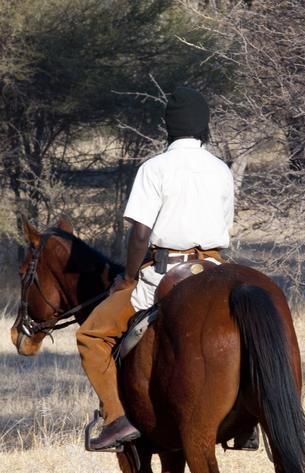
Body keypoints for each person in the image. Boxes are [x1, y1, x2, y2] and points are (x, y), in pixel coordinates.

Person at [76, 86, 235, 451]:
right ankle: (244, 422)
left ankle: (116, 418)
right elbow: (225, 226)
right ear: (204, 128)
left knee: (91, 336)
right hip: (214, 269)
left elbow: (140, 234)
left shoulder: (154, 168)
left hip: (165, 273)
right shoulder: (220, 170)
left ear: (169, 127)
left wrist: (129, 278)